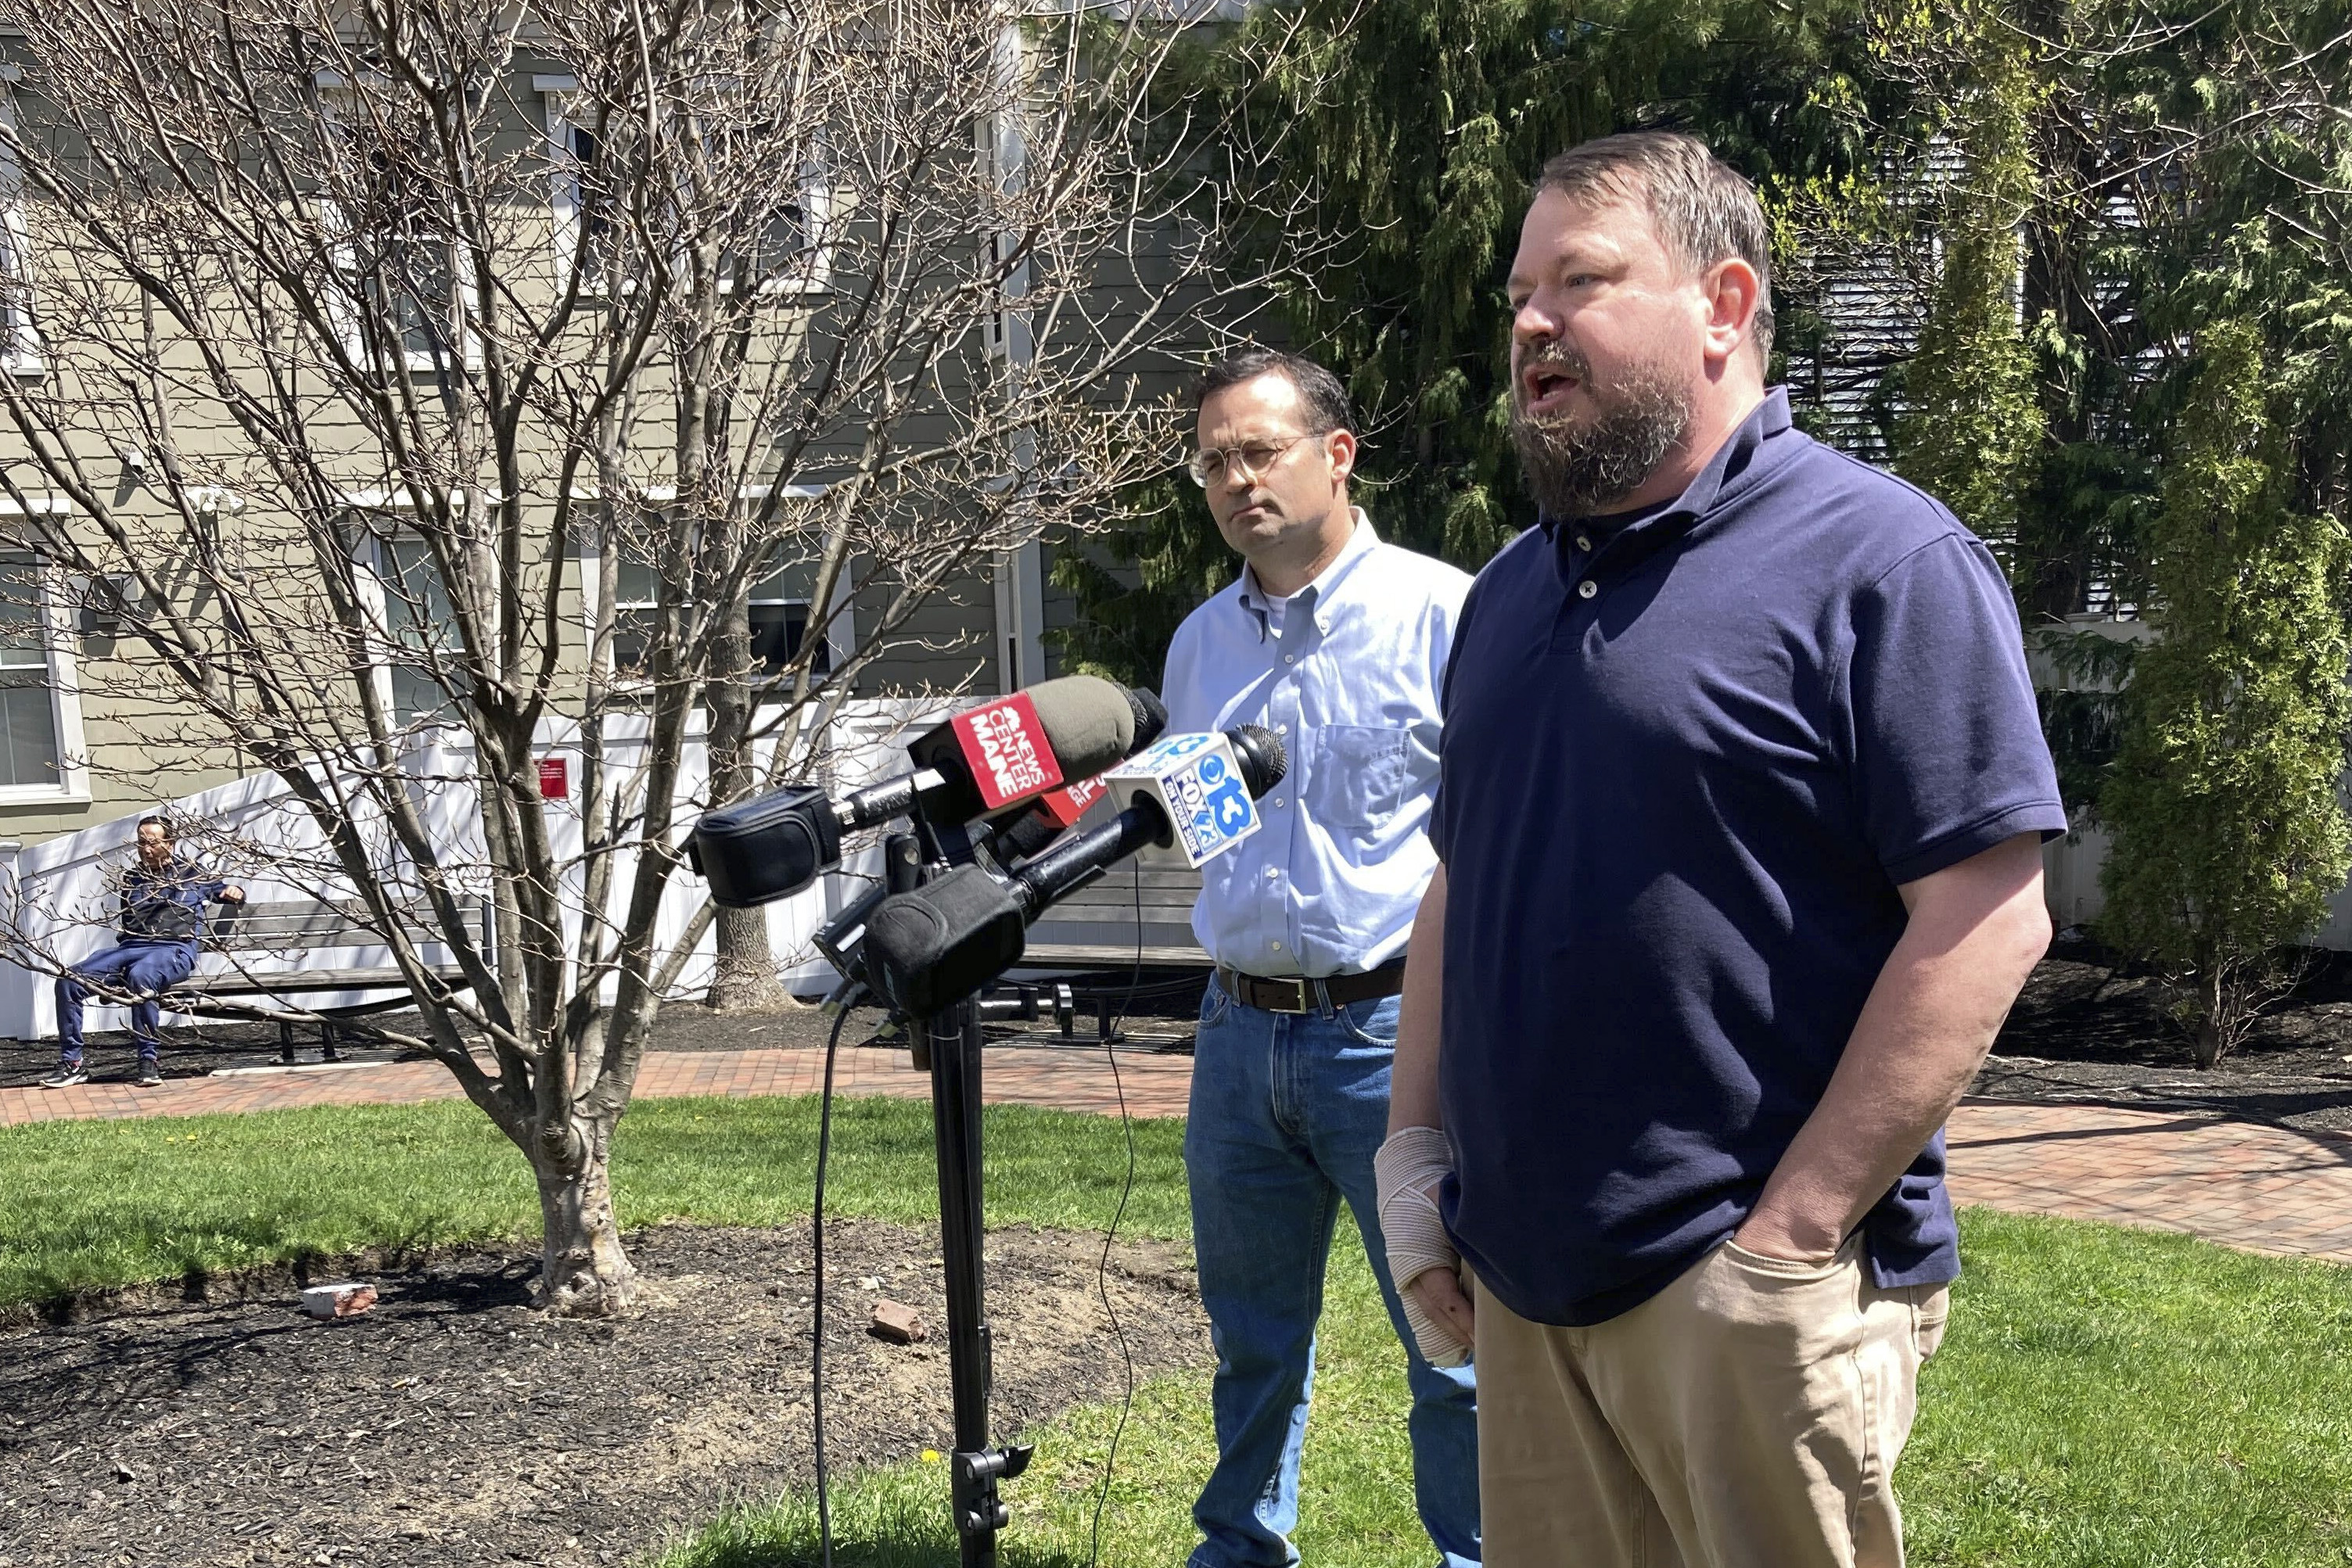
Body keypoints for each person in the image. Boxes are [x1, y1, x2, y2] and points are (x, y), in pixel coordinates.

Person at [1376, 132, 2064, 1566]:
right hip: (1525, 1279)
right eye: (1519, 289)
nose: (1528, 323)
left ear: (1723, 303)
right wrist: (1412, 1155)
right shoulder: (1509, 591)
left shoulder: (1880, 561)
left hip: (1739, 1290)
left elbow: (1988, 916)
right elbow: (1465, 876)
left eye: (1582, 280)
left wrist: (1791, 1237)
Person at [1162, 347, 1480, 1568]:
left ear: (1335, 454)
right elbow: (1206, 833)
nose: (1236, 480)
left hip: (1397, 1034)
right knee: (1250, 1337)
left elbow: (1489, 843)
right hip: (1236, 1039)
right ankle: (1240, 1550)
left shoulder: (1444, 615)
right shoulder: (1198, 646)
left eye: (1258, 451)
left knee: (1448, 1334)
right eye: (1213, 463)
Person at [41, 815, 245, 1089]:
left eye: (152, 843)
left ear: (170, 844)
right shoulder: (133, 878)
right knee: (69, 981)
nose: (146, 849)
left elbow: (224, 891)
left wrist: (236, 891)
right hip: (131, 948)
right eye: (141, 843)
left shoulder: (191, 875)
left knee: (142, 976)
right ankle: (72, 1064)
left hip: (174, 951)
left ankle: (148, 1061)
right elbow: (130, 925)